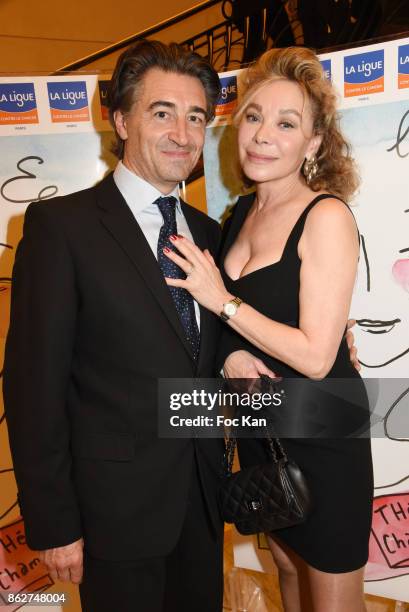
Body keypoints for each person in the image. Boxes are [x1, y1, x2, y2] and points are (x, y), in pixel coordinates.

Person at [3, 40, 266, 612]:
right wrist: (52, 522)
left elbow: (208, 345)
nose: (183, 133)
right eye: (162, 112)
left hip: (201, 504)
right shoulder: (59, 228)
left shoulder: (209, 233)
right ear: (120, 120)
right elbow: (32, 388)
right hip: (111, 517)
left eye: (196, 116)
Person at [163, 46, 373, 612]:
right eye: (253, 116)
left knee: (331, 595)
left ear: (313, 145)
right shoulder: (236, 215)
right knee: (284, 565)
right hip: (261, 428)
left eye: (287, 123)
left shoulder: (326, 216)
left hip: (321, 433)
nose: (261, 134)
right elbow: (232, 326)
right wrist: (230, 351)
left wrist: (224, 303)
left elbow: (314, 354)